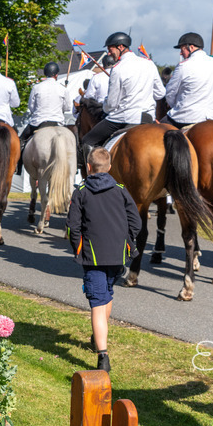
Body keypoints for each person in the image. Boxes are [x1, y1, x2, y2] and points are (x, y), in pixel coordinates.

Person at [66, 147, 141, 373]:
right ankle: (98, 338)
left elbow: (72, 227)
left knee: (97, 304)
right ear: (109, 168)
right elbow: (135, 222)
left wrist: (78, 249)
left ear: (88, 168)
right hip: (118, 257)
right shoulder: (121, 190)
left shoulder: (81, 191)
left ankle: (103, 356)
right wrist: (127, 243)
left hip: (93, 257)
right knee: (106, 295)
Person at [81, 32, 165, 148]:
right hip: (147, 117)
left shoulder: (118, 69)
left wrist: (105, 104)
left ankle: (91, 166)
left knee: (87, 141)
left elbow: (111, 105)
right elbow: (160, 93)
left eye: (110, 50)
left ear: (121, 47)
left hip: (125, 118)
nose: (109, 54)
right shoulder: (149, 64)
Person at [163, 32, 213, 128]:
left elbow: (170, 93)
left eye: (182, 49)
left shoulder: (183, 66)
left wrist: (177, 106)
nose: (180, 53)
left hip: (186, 118)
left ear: (191, 47)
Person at [18, 62, 72, 166]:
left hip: (39, 122)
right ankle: (74, 168)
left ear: (45, 73)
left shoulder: (36, 87)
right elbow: (67, 108)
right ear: (56, 74)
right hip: (58, 123)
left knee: (21, 140)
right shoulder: (63, 89)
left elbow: (31, 107)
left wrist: (38, 113)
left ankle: (17, 166)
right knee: (72, 141)